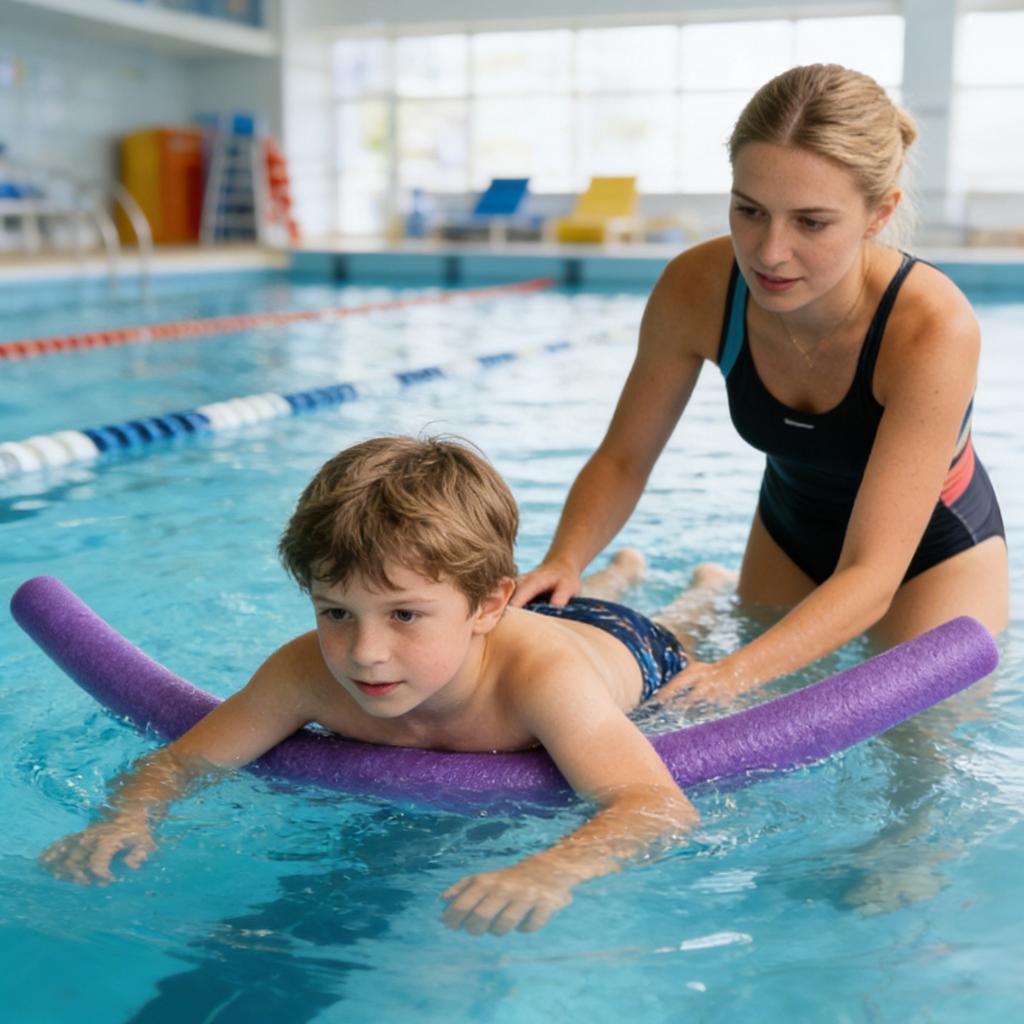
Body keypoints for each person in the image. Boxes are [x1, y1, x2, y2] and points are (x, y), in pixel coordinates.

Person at [41, 435, 715, 937]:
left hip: (624, 646)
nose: (364, 654)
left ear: (487, 606)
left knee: (674, 626)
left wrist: (553, 868)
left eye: (404, 616)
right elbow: (181, 762)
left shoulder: (543, 682)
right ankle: (618, 572)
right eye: (335, 612)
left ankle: (693, 591)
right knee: (555, 601)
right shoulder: (305, 671)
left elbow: (654, 806)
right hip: (506, 620)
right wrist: (126, 817)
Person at [514, 63, 1008, 705]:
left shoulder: (930, 328)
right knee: (733, 701)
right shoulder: (697, 288)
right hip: (789, 525)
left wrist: (736, 671)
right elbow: (625, 457)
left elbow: (873, 572)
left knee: (918, 738)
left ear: (879, 212)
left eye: (811, 222)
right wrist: (565, 558)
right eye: (749, 210)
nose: (769, 252)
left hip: (931, 552)